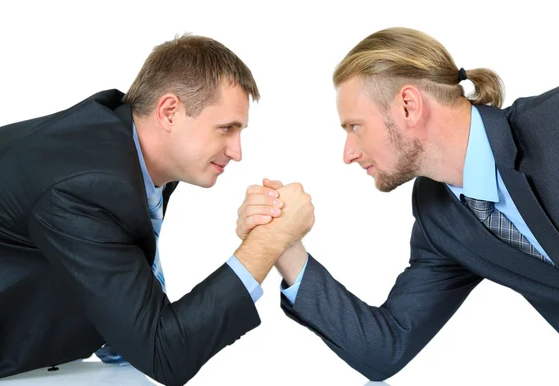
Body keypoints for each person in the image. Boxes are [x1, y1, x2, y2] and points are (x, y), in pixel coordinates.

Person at [0, 35, 315, 386]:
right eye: (226, 129)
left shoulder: (127, 150)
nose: (237, 151)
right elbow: (163, 351)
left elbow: (127, 293)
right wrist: (266, 244)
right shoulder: (87, 184)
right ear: (169, 112)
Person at [237, 27, 559, 381]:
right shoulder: (439, 216)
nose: (349, 154)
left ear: (408, 106)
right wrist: (284, 247)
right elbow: (385, 348)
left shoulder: (550, 121)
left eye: (355, 127)